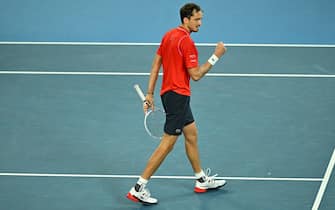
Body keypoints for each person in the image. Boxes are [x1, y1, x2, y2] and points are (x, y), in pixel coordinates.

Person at [127, 3, 227, 205]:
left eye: (201, 19)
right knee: (168, 144)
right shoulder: (187, 42)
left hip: (168, 94)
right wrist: (217, 55)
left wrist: (150, 93)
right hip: (178, 96)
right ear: (186, 20)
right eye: (197, 19)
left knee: (191, 134)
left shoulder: (168, 35)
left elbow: (156, 64)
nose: (200, 23)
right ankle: (138, 187)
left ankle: (201, 180)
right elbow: (196, 75)